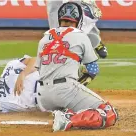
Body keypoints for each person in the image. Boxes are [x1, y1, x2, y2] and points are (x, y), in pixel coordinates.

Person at [35, 2, 118, 132]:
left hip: (43, 98)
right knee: (109, 113)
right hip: (65, 90)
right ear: (79, 20)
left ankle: (63, 110)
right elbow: (93, 69)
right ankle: (68, 119)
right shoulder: (81, 36)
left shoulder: (44, 38)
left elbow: (39, 69)